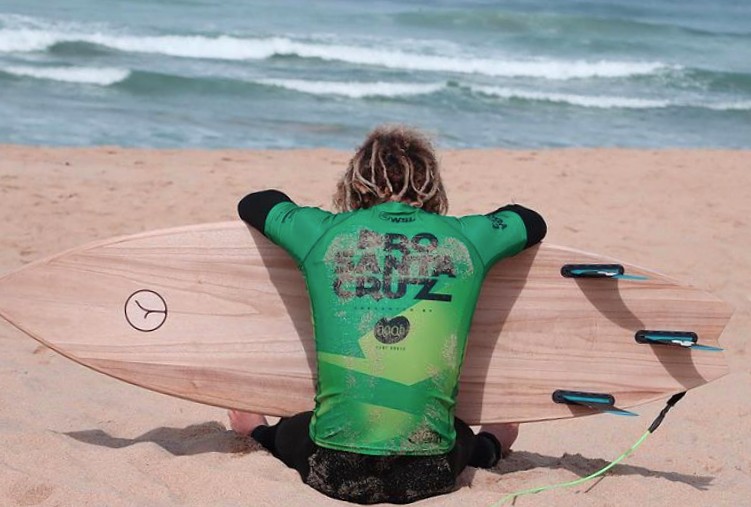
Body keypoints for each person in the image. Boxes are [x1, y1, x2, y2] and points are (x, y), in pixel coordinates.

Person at [232, 125, 546, 504]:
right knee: (458, 435)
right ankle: (493, 444)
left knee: (292, 430)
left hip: (333, 470)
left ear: (357, 182)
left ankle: (255, 432)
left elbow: (255, 202)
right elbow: (530, 221)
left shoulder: (321, 232)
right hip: (429, 474)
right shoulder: (466, 239)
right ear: (430, 184)